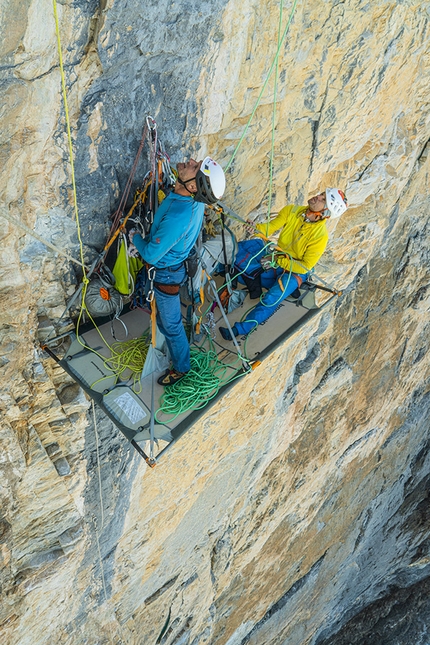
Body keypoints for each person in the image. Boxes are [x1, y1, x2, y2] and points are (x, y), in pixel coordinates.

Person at [130, 156, 226, 385]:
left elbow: (152, 254)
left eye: (194, 166)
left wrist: (134, 236)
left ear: (193, 186)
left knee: (172, 325)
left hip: (166, 274)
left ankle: (182, 368)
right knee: (168, 322)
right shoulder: (193, 200)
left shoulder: (179, 216)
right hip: (174, 268)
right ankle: (169, 339)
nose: (191, 161)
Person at [219, 188, 347, 340]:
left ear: (325, 212)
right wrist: (256, 228)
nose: (317, 197)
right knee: (248, 247)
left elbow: (304, 265)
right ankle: (219, 268)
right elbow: (270, 228)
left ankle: (240, 329)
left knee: (272, 298)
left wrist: (278, 260)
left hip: (295, 271)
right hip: (277, 257)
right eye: (321, 194)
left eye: (323, 199)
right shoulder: (292, 210)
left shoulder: (320, 237)